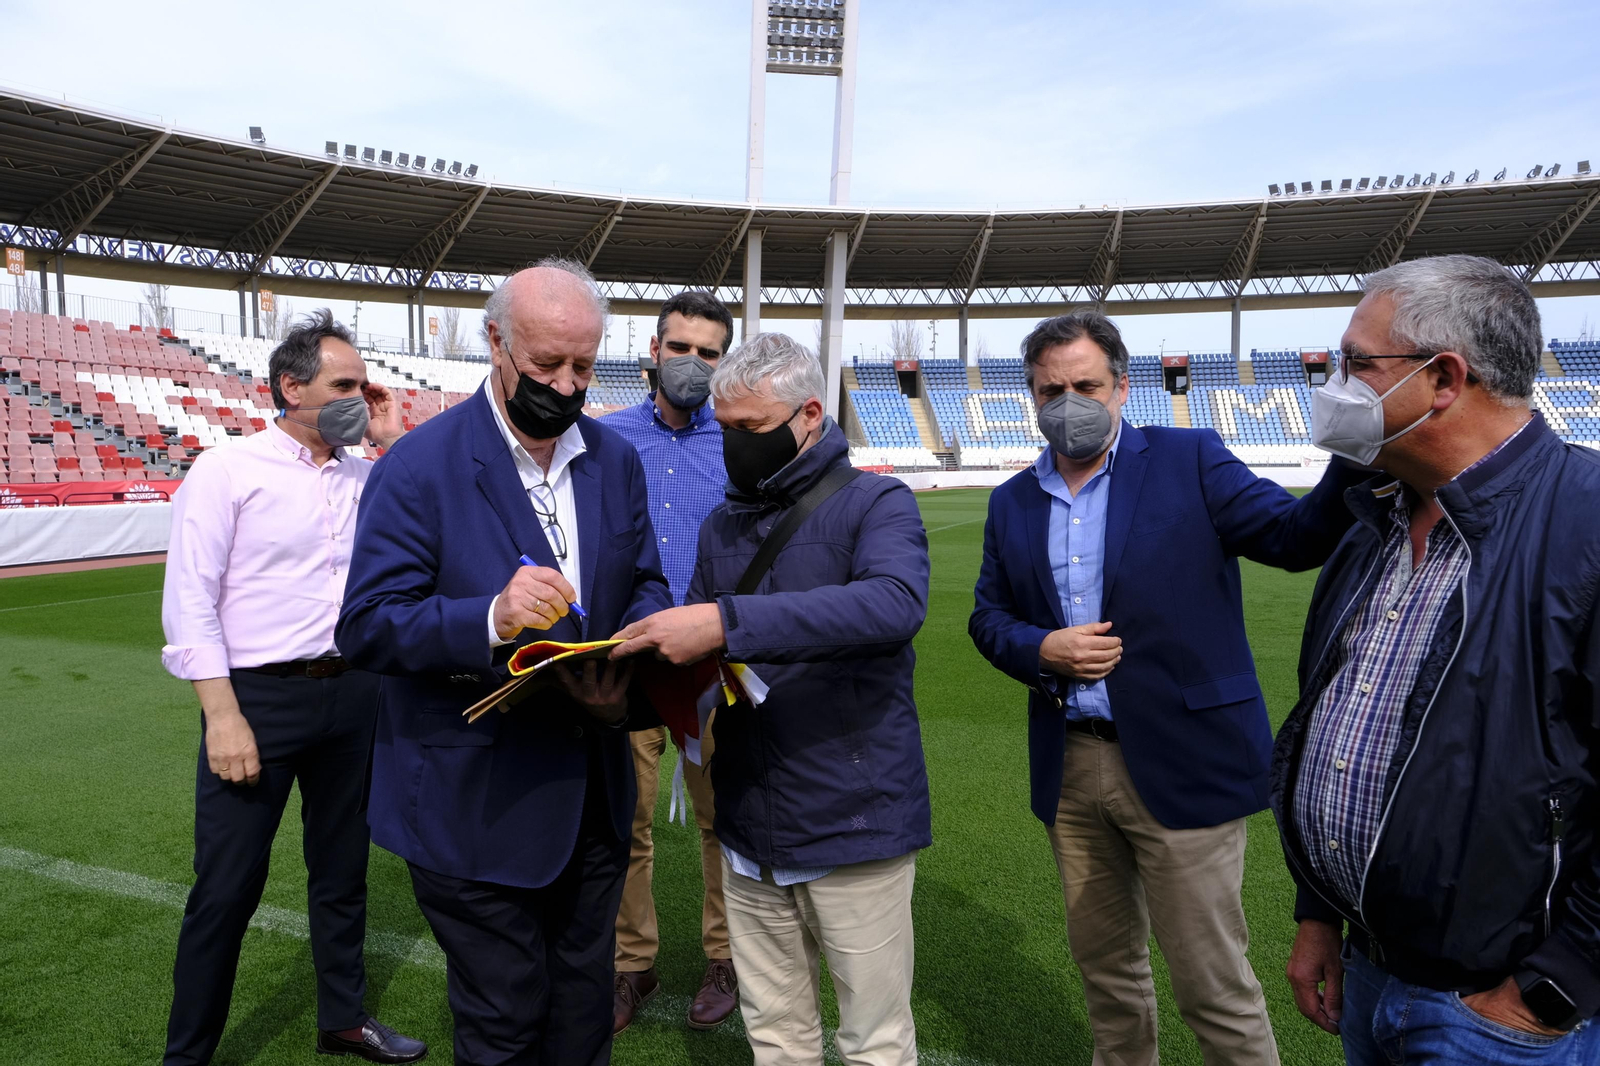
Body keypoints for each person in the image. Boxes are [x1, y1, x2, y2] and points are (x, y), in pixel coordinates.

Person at [967, 311, 1366, 1066]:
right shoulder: (1012, 499)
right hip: (1074, 767)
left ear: (1121, 387)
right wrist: (1040, 647)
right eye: (1050, 389)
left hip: (1183, 759)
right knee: (1107, 976)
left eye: (1084, 384)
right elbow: (988, 618)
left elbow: (1290, 538)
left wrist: (1351, 449)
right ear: (1030, 396)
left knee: (1212, 984)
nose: (1067, 402)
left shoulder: (1191, 457)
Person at [335, 260, 673, 1066]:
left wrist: (642, 636)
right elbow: (368, 625)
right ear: (495, 343)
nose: (565, 383)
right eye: (546, 363)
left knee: (583, 1016)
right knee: (504, 1022)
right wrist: (490, 616)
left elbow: (646, 577)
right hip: (471, 807)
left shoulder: (616, 461)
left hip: (594, 795)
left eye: (584, 366)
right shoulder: (419, 466)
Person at [1273, 255, 1600, 1063]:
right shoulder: (1371, 518)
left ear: (1443, 378)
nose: (1334, 383)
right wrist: (1321, 911)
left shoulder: (1588, 525)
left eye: (1355, 363)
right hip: (1368, 967)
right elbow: (1334, 723)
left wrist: (1556, 983)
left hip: (1501, 1011)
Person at [613, 332, 931, 1066]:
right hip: (749, 820)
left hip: (853, 816)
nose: (732, 445)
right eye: (723, 429)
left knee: (873, 1040)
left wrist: (726, 622)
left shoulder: (876, 502)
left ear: (810, 415)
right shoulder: (723, 522)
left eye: (750, 429)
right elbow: (693, 648)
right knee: (776, 1035)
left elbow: (892, 605)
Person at [159, 310, 423, 1065]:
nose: (359, 397)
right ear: (290, 387)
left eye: (364, 385)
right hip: (258, 701)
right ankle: (188, 1056)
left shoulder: (370, 474)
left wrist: (391, 439)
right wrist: (222, 715)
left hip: (356, 695)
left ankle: (342, 1018)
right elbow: (190, 601)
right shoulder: (228, 469)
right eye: (345, 385)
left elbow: (431, 505)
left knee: (343, 873)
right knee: (227, 890)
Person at [600, 290, 738, 1033]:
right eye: (679, 347)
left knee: (726, 821)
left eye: (708, 352)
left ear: (724, 361)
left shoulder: (743, 439)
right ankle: (632, 967)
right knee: (626, 825)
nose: (691, 363)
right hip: (632, 662)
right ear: (652, 351)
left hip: (719, 667)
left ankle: (727, 958)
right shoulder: (604, 440)